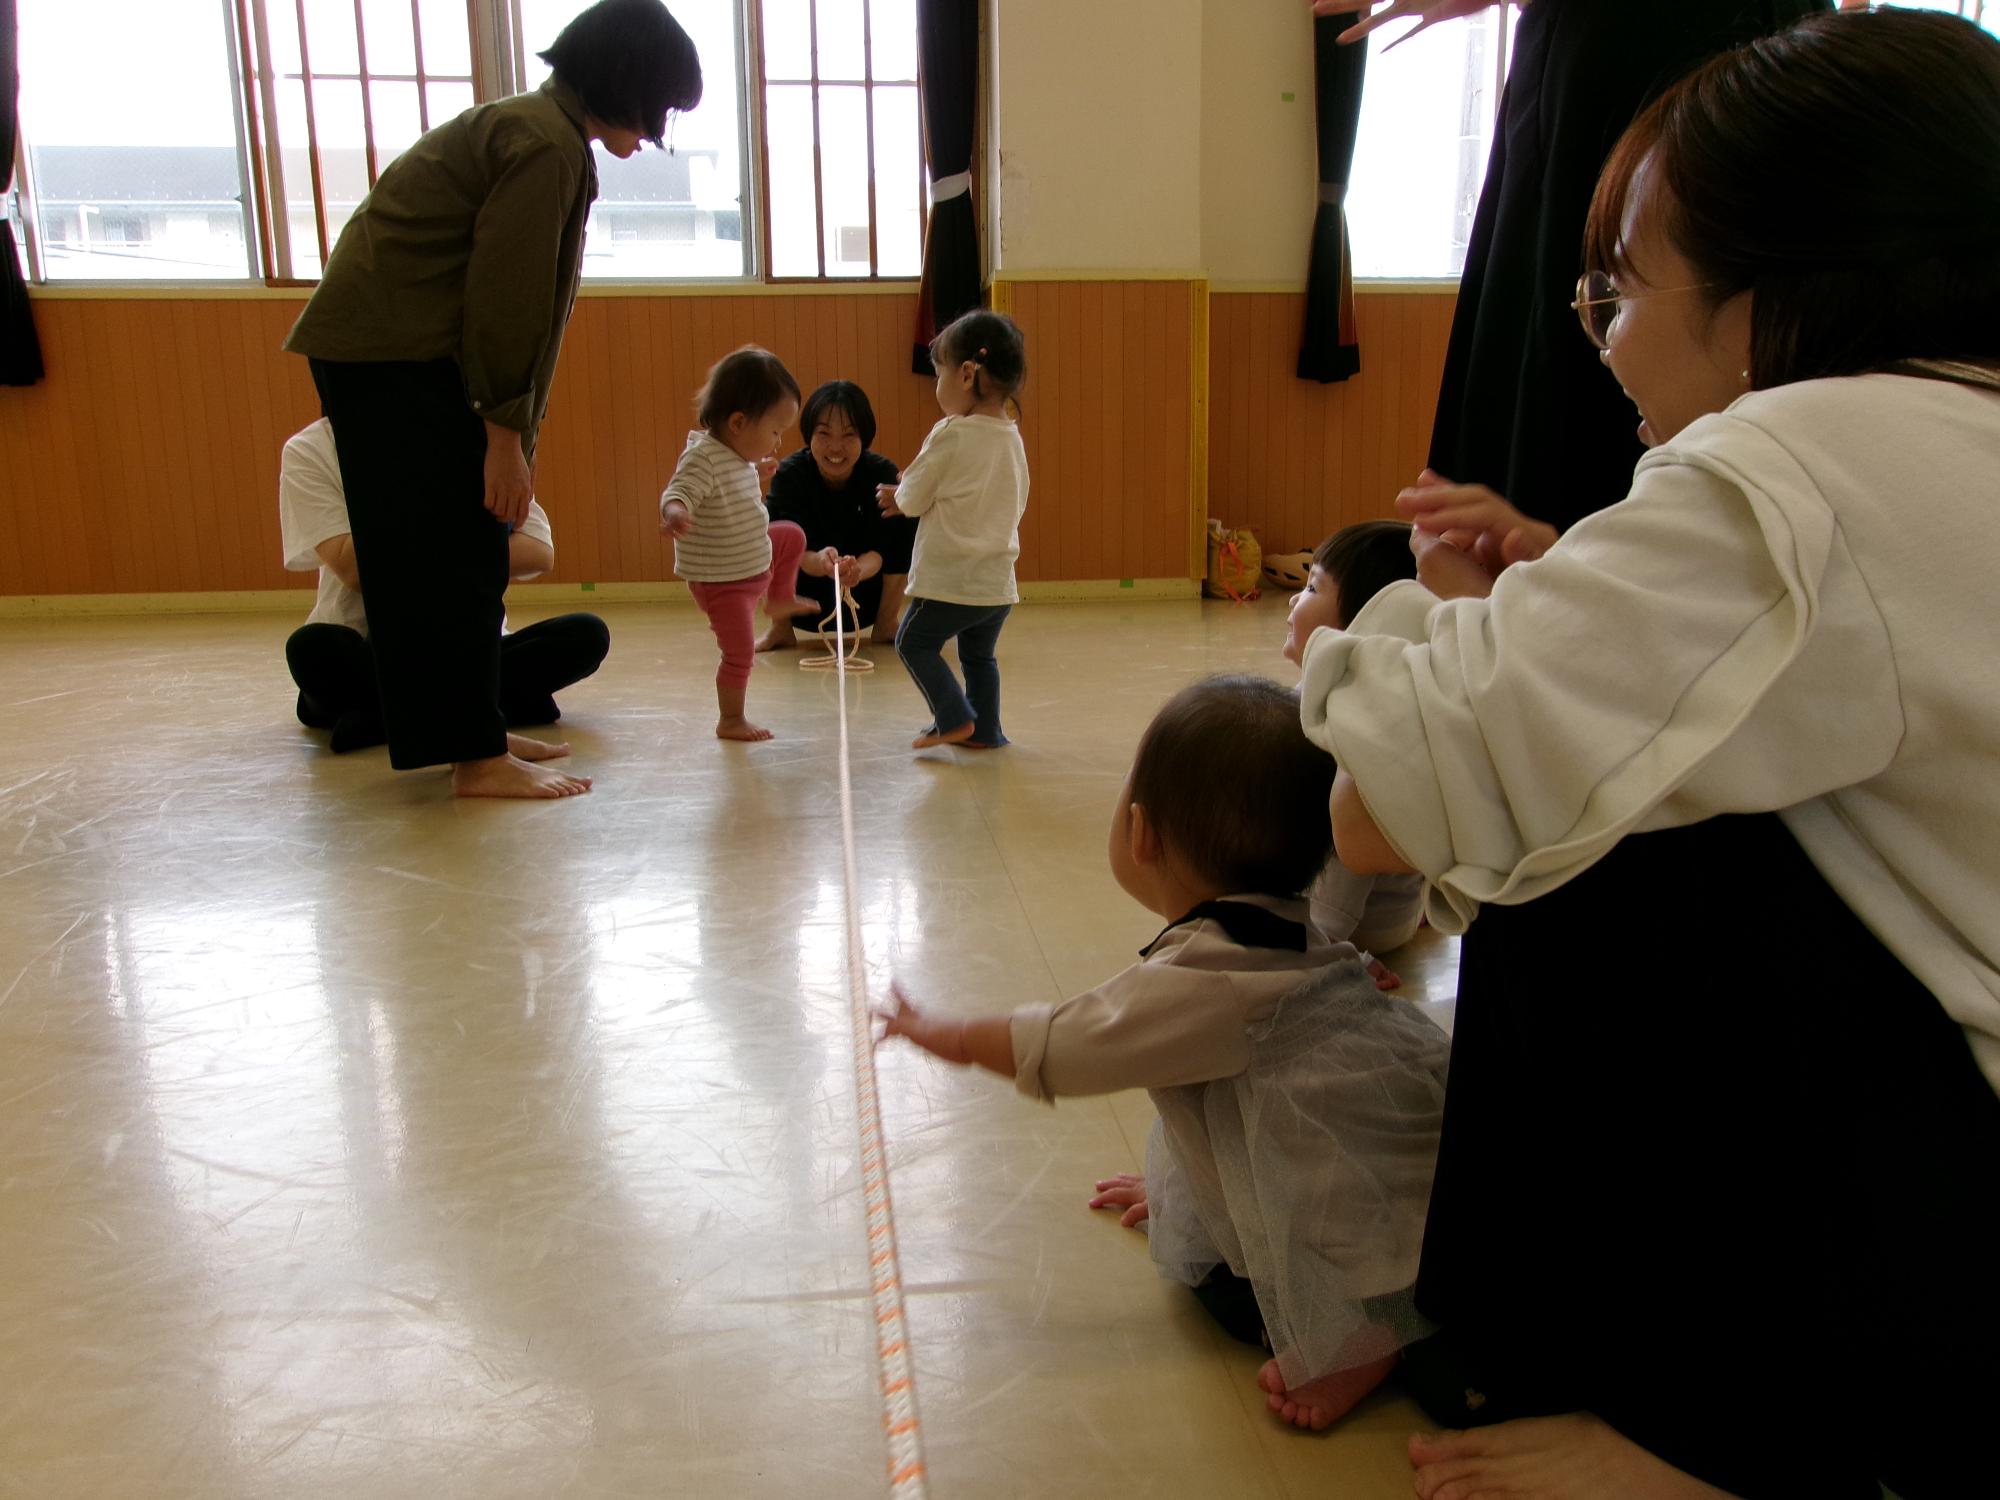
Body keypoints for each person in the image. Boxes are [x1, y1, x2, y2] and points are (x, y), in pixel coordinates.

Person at [1298, 12, 2000, 1498]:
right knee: (1645, 756)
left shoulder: (1797, 458)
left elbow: (1380, 814)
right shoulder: (1951, 422)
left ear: (1781, 289)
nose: (1598, 333)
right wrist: (1561, 586)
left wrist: (1386, 615)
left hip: (1953, 1240)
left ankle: (1729, 1430)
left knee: (1588, 833)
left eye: (1616, 288)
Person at [882, 674, 1451, 1432]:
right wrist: (1193, 1187)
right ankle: (1257, 1237)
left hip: (1365, 1231)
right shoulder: (1290, 929)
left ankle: (1364, 1339)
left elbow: (1067, 1043)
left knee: (1226, 1293)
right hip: (1406, 1163)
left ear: (1141, 834)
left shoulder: (1207, 981)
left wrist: (943, 1034)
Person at [283, 0, 701, 799]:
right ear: (625, 83)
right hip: (394, 356)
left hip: (385, 352)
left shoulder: (539, 131)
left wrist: (512, 432)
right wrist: (505, 437)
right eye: (659, 108)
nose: (656, 132)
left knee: (443, 556)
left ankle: (469, 731)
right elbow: (507, 304)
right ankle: (474, 756)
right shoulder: (544, 145)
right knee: (455, 555)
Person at [278, 417, 610, 754]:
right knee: (311, 649)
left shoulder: (475, 437)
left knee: (586, 635)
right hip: (366, 648)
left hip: (469, 647)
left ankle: (383, 719)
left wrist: (418, 555)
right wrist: (465, 544)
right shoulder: (310, 449)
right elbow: (355, 571)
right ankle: (484, 711)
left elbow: (538, 552)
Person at [878, 310, 1030, 751]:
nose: (936, 385)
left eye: (938, 373)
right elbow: (1013, 497)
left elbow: (911, 497)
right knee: (979, 656)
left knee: (913, 641)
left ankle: (952, 716)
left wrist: (897, 495)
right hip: (996, 584)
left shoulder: (951, 433)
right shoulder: (1011, 438)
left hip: (951, 579)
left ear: (966, 374)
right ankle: (985, 730)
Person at [1280, 521, 1426, 967]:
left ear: (1360, 624)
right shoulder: (1332, 685)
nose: (1292, 599)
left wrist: (1332, 953)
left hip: (1363, 926)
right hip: (1396, 909)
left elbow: (1344, 865)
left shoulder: (1357, 725)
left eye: (1311, 588)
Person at [658, 346, 817, 742]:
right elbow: (677, 492)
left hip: (752, 565)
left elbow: (731, 485)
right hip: (722, 582)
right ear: (738, 423)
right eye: (776, 431)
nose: (779, 442)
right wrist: (675, 512)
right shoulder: (703, 458)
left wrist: (757, 471)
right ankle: (730, 719)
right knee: (739, 653)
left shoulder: (734, 454)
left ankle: (779, 599)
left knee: (791, 534)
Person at [757, 381, 915, 651]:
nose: (835, 448)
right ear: (809, 435)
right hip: (801, 601)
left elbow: (885, 548)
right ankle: (779, 628)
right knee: (760, 526)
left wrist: (856, 570)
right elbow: (784, 546)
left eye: (848, 435)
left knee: (908, 510)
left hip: (864, 601)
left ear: (863, 438)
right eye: (824, 434)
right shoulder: (791, 475)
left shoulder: (881, 474)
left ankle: (887, 622)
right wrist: (820, 562)